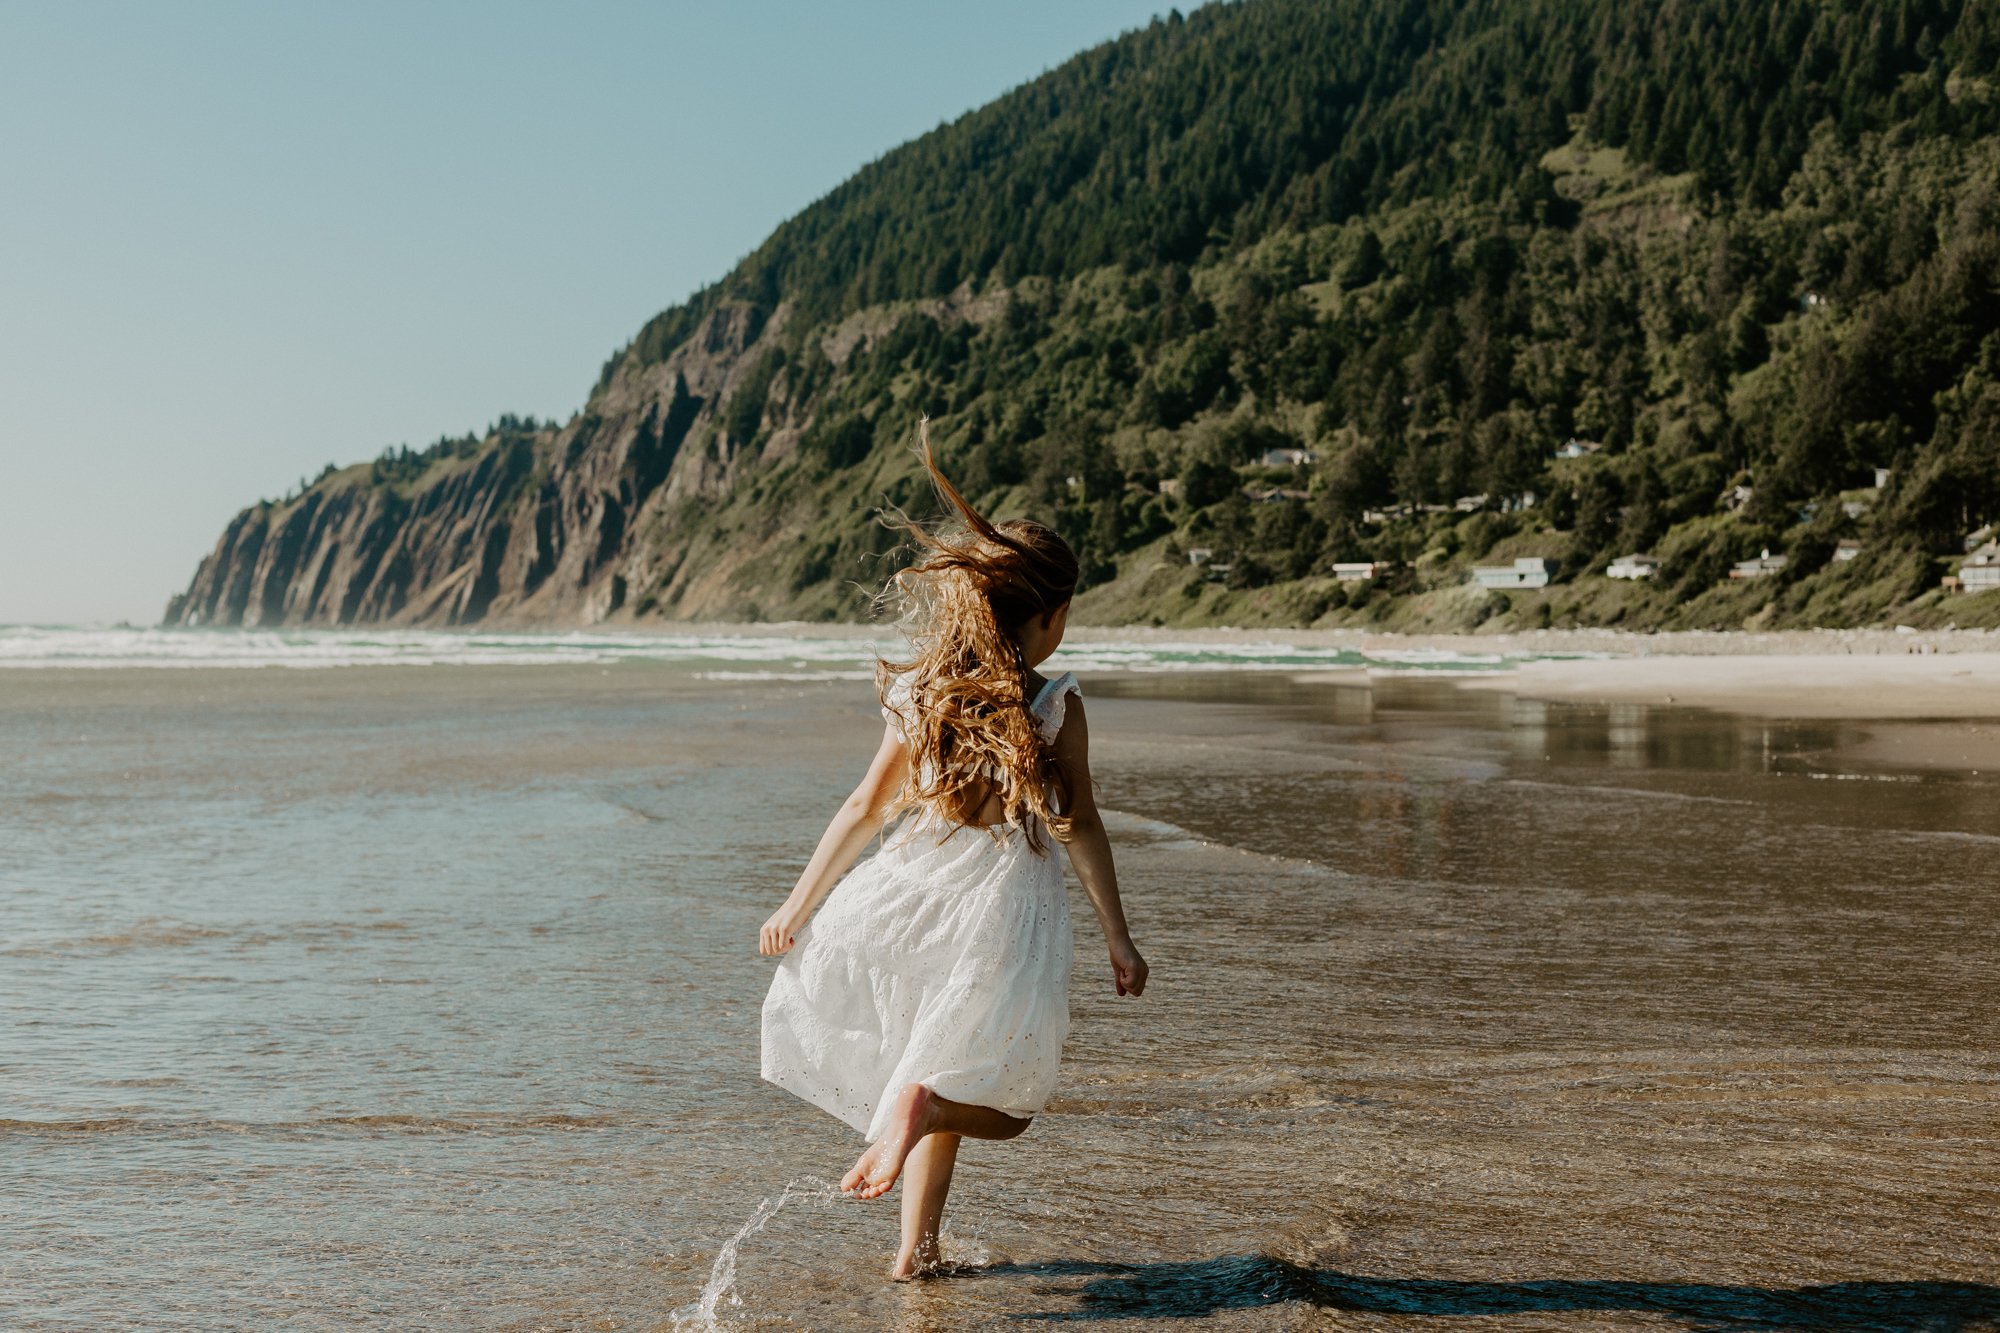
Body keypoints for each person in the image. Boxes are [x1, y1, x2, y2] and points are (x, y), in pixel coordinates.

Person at [757, 419, 1148, 1281]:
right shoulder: (1055, 704)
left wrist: (799, 902)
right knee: (1008, 1103)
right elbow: (1080, 824)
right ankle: (923, 1113)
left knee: (934, 1060)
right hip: (1004, 906)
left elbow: (863, 807)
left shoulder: (924, 691)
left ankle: (915, 1252)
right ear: (1048, 615)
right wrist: (1119, 933)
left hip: (909, 891)